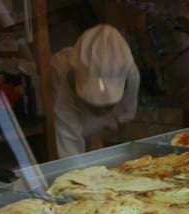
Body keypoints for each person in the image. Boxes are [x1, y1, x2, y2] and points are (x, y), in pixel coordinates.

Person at [51, 24, 140, 158]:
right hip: (59, 88)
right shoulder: (62, 74)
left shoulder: (131, 74)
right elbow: (69, 148)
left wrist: (98, 132)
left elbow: (123, 119)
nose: (100, 110)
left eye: (107, 105)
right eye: (93, 103)